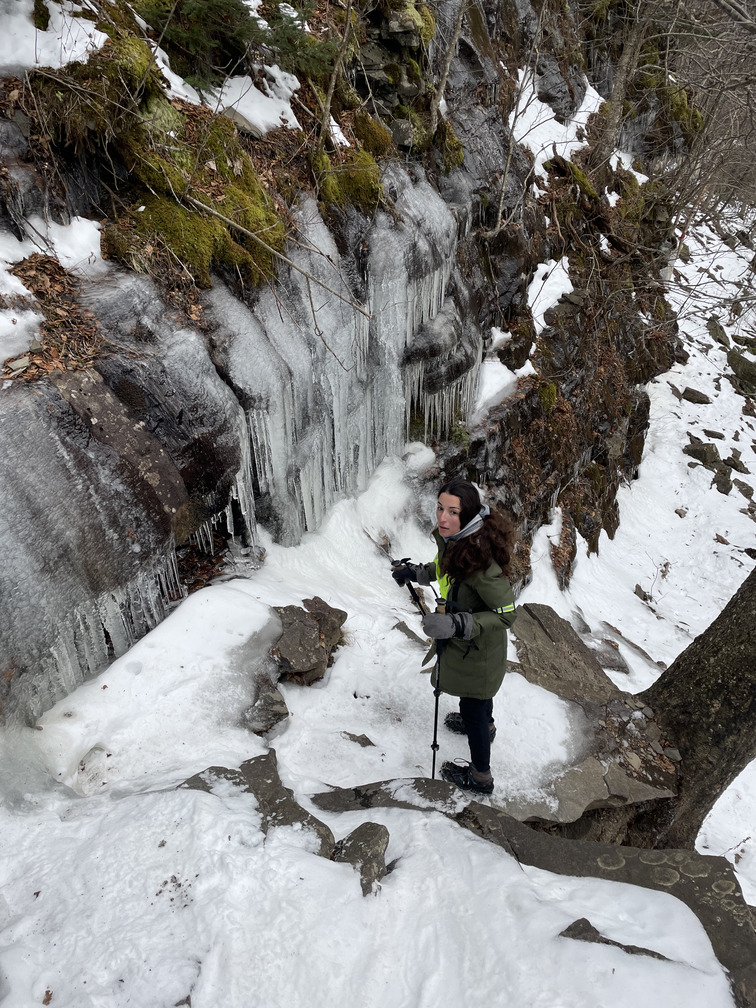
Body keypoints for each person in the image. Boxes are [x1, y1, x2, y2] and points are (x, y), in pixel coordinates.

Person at [393, 479, 517, 795]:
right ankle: (485, 727)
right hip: (470, 648)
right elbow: (443, 567)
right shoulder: (458, 542)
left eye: (453, 511)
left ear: (470, 514)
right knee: (475, 701)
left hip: (478, 650)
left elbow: (506, 614)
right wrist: (416, 574)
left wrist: (458, 625)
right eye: (440, 508)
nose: (442, 518)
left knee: (473, 706)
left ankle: (480, 777)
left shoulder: (483, 563)